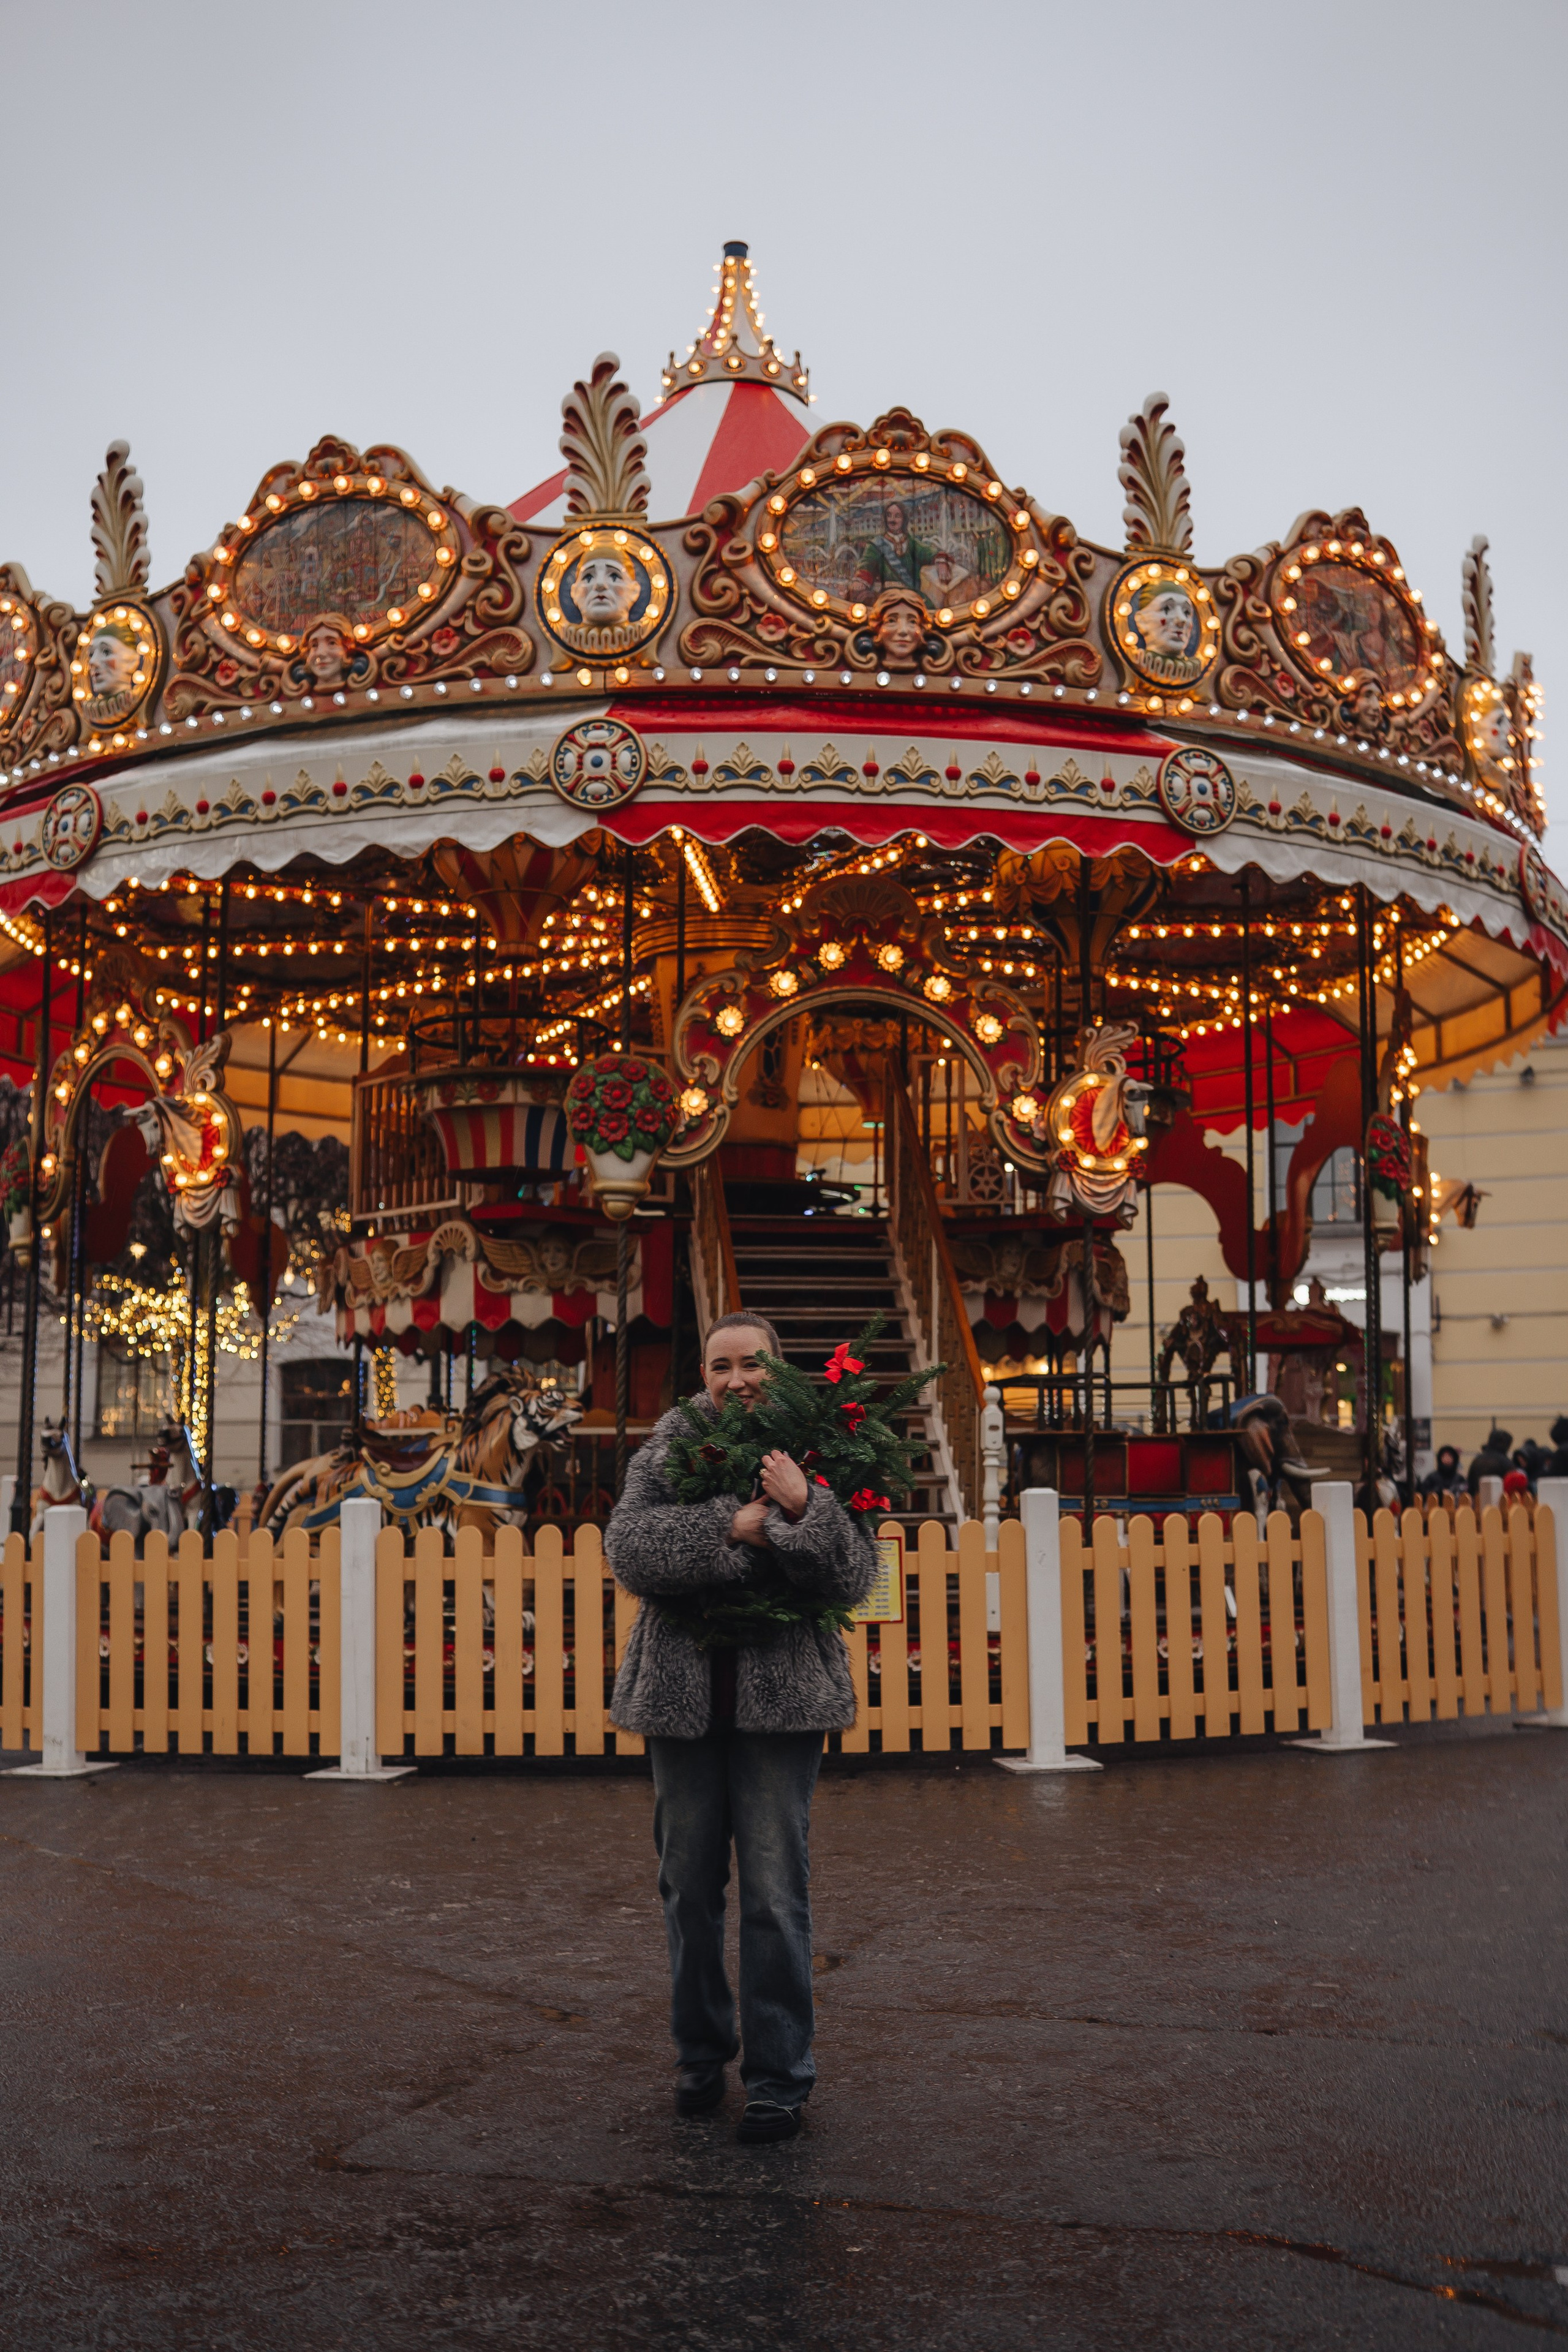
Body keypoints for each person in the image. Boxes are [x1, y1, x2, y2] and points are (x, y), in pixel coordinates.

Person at [605, 1311, 877, 2145]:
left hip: (782, 1701)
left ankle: (778, 2079)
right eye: (721, 1366)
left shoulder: (819, 1447)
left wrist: (805, 1508)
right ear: (704, 1376)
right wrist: (732, 1527)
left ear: (777, 1369)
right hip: (682, 1701)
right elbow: (630, 1548)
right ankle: (699, 2053)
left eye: (752, 1364)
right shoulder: (670, 1446)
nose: (736, 1380)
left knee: (773, 1895)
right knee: (687, 1890)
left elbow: (855, 1575)